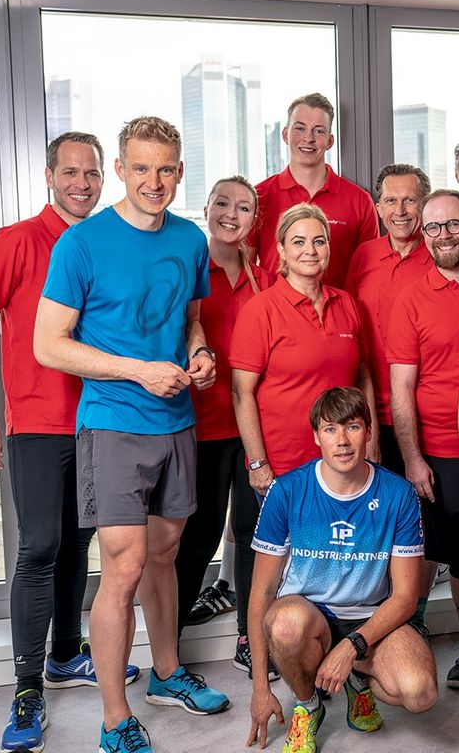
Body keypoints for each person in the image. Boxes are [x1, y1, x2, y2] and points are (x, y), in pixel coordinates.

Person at [34, 116, 229, 753]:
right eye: (141, 168)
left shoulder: (190, 239)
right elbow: (48, 344)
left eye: (166, 169)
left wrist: (198, 355)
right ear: (120, 169)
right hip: (114, 424)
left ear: (180, 171)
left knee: (165, 554)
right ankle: (116, 719)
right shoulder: (82, 244)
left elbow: (191, 320)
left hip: (177, 422)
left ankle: (167, 674)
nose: (154, 180)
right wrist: (138, 370)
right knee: (124, 566)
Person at [0, 131, 136, 753]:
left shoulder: (106, 241)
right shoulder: (16, 241)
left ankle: (65, 654)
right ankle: (27, 688)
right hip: (36, 424)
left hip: (99, 420)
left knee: (77, 543)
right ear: (49, 176)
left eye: (92, 173)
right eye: (70, 172)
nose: (82, 184)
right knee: (38, 547)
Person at [246, 387, 438, 753]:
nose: (343, 441)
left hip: (372, 619)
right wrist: (260, 688)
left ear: (368, 432)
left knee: (421, 693)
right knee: (284, 625)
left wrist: (352, 647)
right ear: (316, 436)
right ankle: (308, 705)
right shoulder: (286, 491)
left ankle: (356, 681)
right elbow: (263, 593)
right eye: (330, 429)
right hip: (308, 617)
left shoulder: (398, 494)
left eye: (352, 427)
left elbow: (405, 597)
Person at [387, 189, 459, 689]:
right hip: (443, 449)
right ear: (423, 234)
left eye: (453, 224)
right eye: (433, 227)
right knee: (457, 551)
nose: (444, 235)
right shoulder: (411, 298)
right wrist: (413, 459)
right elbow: (401, 387)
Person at [172, 176, 275, 679]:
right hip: (201, 425)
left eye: (243, 207)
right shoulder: (188, 269)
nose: (231, 214)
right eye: (222, 204)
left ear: (255, 219)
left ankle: (249, 638)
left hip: (253, 428)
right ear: (206, 209)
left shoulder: (265, 278)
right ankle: (167, 647)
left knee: (254, 535)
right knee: (199, 535)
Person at [231, 202, 377, 502]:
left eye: (319, 241)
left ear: (328, 248)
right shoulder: (260, 311)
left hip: (345, 460)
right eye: (298, 242)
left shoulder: (347, 304)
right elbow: (241, 393)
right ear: (282, 250)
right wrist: (257, 462)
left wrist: (371, 442)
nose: (310, 250)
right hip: (284, 466)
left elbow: (362, 379)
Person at [344, 164, 434, 473]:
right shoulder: (363, 256)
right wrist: (364, 419)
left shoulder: (440, 259)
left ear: (424, 205)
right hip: (372, 413)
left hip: (427, 416)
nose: (400, 211)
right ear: (379, 208)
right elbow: (352, 337)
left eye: (410, 200)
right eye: (391, 201)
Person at [251, 93, 378, 288]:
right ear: (285, 134)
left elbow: (370, 274)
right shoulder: (259, 197)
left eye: (318, 131)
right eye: (300, 128)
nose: (308, 138)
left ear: (330, 141)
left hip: (339, 307)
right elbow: (246, 268)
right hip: (275, 307)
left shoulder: (359, 200)